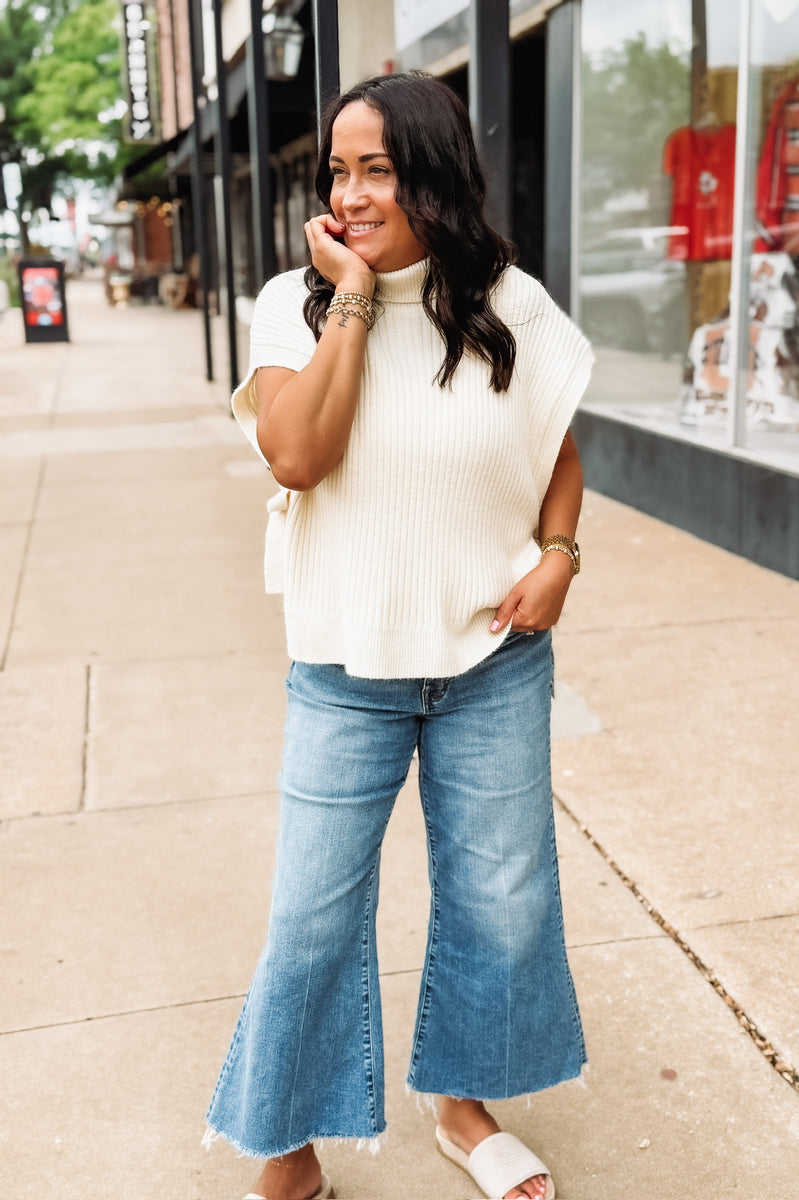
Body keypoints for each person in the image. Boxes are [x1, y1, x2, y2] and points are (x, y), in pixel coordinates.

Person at [204, 71, 593, 1200]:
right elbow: (297, 454)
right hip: (346, 667)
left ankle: (462, 1108)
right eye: (339, 169)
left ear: (432, 171)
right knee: (312, 913)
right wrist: (358, 296)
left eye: (377, 167)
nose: (353, 190)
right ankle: (288, 1135)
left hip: (494, 664)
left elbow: (558, 450)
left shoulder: (508, 304)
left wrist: (559, 561)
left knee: (502, 901)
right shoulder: (297, 304)